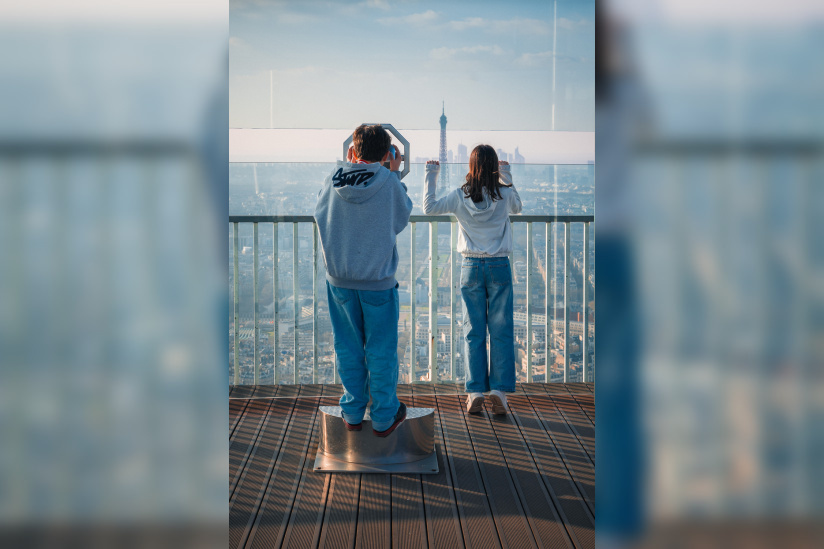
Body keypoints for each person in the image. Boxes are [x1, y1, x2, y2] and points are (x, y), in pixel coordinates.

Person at [314, 124, 413, 437]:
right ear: (386, 154)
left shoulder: (333, 177)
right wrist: (394, 173)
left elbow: (319, 211)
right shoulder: (387, 180)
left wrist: (349, 164)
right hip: (377, 282)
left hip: (339, 280)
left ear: (352, 151)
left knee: (348, 347)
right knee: (381, 349)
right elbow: (400, 218)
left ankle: (353, 412)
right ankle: (384, 416)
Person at [423, 145, 521, 415]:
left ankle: (475, 390)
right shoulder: (504, 193)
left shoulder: (459, 196)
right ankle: (499, 391)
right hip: (499, 265)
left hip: (471, 267)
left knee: (473, 331)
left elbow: (429, 208)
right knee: (501, 331)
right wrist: (506, 174)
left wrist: (431, 174)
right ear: (493, 167)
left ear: (470, 166)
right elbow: (519, 208)